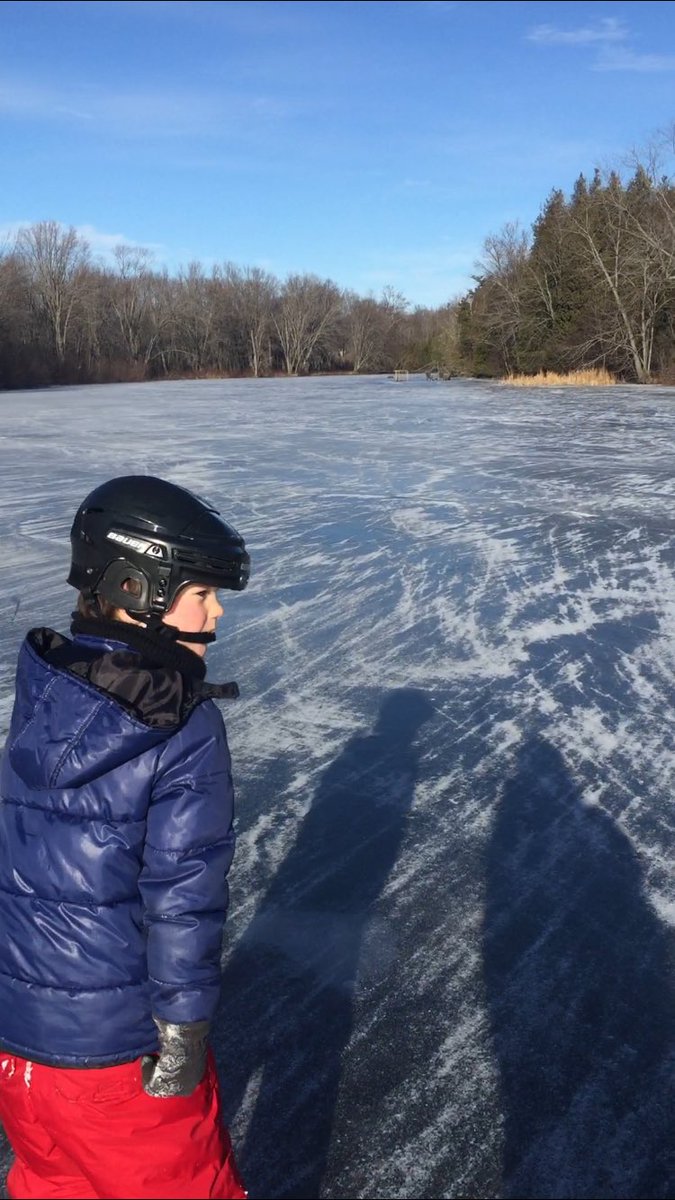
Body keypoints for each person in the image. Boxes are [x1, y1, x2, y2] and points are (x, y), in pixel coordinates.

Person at [0, 475, 250, 1200]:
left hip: (22, 1056)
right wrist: (182, 1031)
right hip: (116, 1064)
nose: (218, 611)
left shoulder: (49, 689)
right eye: (202, 593)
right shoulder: (180, 725)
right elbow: (182, 897)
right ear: (138, 587)